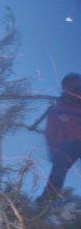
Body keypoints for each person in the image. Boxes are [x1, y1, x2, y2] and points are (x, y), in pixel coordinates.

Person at [38, 72, 81, 205]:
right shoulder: (60, 105)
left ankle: (47, 201)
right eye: (67, 85)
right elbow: (51, 128)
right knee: (58, 172)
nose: (71, 87)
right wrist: (52, 146)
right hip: (66, 144)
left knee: (58, 171)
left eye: (74, 83)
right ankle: (46, 202)